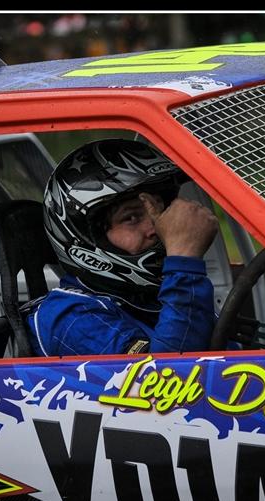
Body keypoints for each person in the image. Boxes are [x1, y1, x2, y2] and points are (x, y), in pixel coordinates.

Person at [27, 138, 219, 356]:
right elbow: (165, 380)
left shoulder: (150, 297)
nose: (156, 227)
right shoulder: (68, 317)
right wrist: (184, 263)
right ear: (88, 239)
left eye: (160, 208)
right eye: (132, 218)